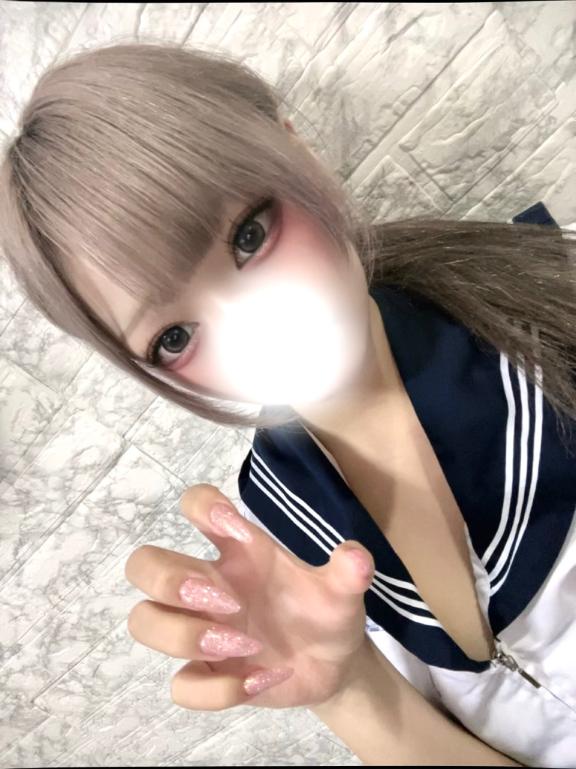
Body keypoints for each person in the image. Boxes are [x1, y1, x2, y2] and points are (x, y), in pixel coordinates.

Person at [0, 41, 575, 767]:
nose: (250, 324)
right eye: (174, 337)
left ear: (295, 147)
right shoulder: (277, 532)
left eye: (250, 235)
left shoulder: (551, 292)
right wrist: (346, 689)